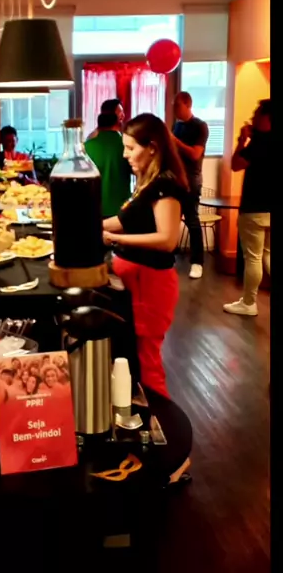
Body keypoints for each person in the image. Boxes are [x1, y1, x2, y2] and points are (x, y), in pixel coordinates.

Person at [102, 113, 188, 400]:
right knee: (134, 359)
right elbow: (123, 220)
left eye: (130, 148)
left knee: (146, 363)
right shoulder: (146, 183)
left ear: (152, 147)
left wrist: (114, 239)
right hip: (137, 282)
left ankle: (159, 419)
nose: (125, 155)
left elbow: (167, 239)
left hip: (150, 286)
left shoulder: (166, 186)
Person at [223, 99, 271, 316]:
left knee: (253, 257)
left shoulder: (260, 144)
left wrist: (242, 140)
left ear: (267, 118)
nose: (253, 116)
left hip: (255, 208)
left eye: (257, 113)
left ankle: (249, 303)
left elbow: (235, 165)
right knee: (267, 254)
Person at [172, 92, 209, 279]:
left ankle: (197, 262)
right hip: (175, 180)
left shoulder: (200, 126)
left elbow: (195, 154)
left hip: (191, 181)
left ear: (188, 104)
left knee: (192, 221)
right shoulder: (176, 126)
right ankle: (168, 257)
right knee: (171, 219)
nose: (174, 109)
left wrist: (175, 141)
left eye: (177, 105)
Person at [85, 112, 132, 218]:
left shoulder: (86, 147)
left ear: (98, 126)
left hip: (94, 207)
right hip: (122, 209)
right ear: (118, 124)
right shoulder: (126, 146)